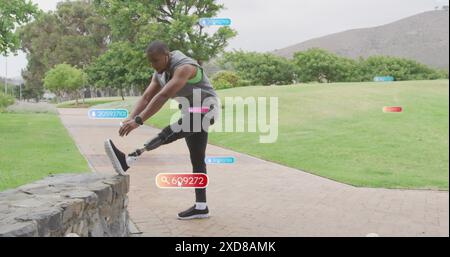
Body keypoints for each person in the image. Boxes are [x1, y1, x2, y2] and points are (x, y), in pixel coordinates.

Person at [104, 40, 219, 220]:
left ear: (167, 56)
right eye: (150, 61)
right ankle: (201, 207)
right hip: (189, 112)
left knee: (170, 132)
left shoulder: (185, 67)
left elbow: (163, 95)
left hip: (206, 110)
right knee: (197, 159)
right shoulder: (159, 73)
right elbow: (147, 96)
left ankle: (129, 159)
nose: (153, 65)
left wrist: (139, 121)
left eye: (156, 61)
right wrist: (131, 117)